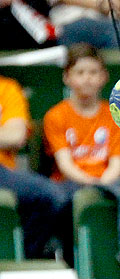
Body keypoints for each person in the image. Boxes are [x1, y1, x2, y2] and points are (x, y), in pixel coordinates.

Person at [42, 43, 120, 268]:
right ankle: (67, 259)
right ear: (67, 78)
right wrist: (91, 183)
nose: (87, 79)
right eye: (80, 73)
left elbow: (116, 163)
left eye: (93, 72)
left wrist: (104, 183)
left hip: (108, 182)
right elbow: (65, 164)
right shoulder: (55, 116)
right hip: (69, 184)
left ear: (104, 77)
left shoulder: (114, 115)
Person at [0, 73, 72, 263]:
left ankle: (20, 262)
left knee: (50, 194)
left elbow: (16, 135)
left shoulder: (6, 88)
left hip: (2, 172)